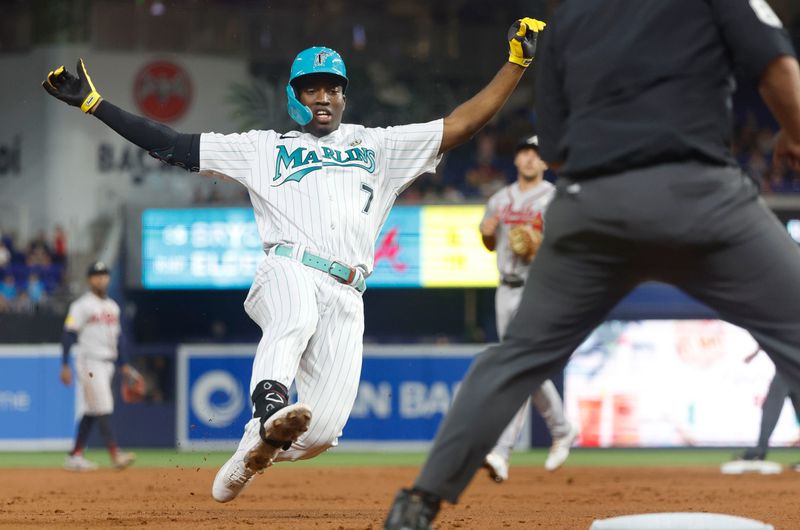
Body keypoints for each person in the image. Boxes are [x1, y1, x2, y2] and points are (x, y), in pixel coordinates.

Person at [42, 16, 547, 502]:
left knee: (324, 430)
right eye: (311, 87)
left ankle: (253, 449)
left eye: (332, 87)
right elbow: (173, 144)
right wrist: (94, 103)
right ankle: (268, 408)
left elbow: (462, 123)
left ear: (344, 96)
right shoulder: (263, 149)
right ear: (294, 95)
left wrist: (516, 64)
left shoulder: (380, 146)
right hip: (288, 266)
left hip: (349, 293)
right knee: (294, 315)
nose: (323, 96)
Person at [383, 1, 800, 527]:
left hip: (593, 209)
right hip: (702, 197)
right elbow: (779, 67)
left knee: (515, 358)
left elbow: (555, 150)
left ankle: (418, 503)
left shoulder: (571, 17)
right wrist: (795, 133)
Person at [479, 135, 577, 481]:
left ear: (546, 162)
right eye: (524, 151)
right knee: (526, 368)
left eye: (537, 153)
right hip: (504, 289)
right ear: (517, 158)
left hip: (538, 289)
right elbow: (489, 242)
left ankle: (502, 452)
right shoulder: (500, 199)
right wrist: (489, 234)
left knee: (518, 367)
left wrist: (540, 249)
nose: (530, 158)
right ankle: (563, 429)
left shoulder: (554, 198)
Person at [60, 262, 136, 471]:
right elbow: (68, 333)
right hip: (90, 362)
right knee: (103, 405)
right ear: (89, 279)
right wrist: (64, 364)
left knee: (92, 410)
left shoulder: (113, 307)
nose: (101, 278)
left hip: (108, 363)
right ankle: (115, 454)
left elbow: (119, 339)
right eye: (96, 275)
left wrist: (124, 364)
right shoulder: (81, 305)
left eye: (104, 275)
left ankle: (75, 455)